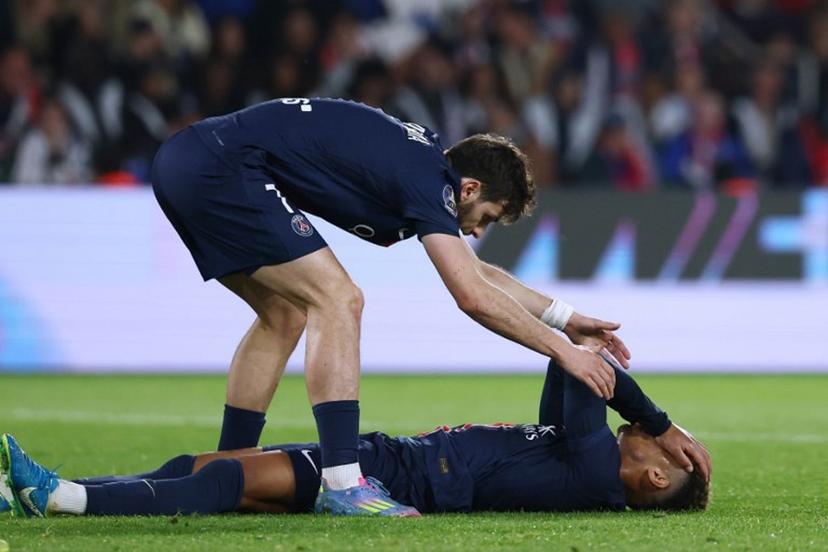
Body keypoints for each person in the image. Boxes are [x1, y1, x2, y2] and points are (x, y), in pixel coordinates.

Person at [149, 97, 631, 515]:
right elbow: (471, 295)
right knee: (339, 298)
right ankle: (342, 484)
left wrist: (567, 320)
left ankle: (232, 463)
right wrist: (563, 352)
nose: (477, 232)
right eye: (484, 218)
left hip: (190, 160)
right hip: (223, 167)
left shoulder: (424, 166)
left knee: (285, 314)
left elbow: (478, 274)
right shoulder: (431, 182)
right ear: (469, 189)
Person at [0, 357, 711, 518]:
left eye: (660, 454)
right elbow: (571, 363)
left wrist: (660, 418)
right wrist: (581, 341)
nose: (640, 436)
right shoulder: (580, 461)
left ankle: (62, 498)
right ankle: (31, 494)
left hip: (397, 475)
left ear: (652, 479)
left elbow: (589, 376)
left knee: (225, 481)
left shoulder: (593, 468)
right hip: (401, 461)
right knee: (204, 465)